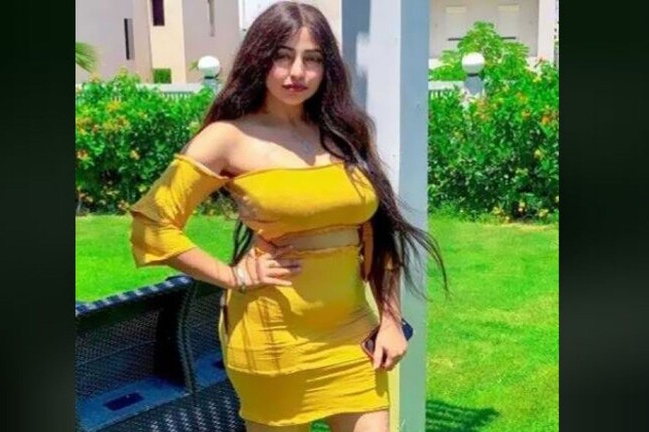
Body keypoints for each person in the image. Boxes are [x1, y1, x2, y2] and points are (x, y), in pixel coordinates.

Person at [129, 2, 447, 431]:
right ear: (259, 58)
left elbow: (378, 233)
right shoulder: (227, 138)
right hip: (274, 338)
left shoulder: (344, 131)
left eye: (312, 59)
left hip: (352, 333)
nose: (297, 72)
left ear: (327, 68)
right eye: (282, 56)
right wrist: (233, 276)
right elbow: (152, 224)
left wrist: (390, 319)